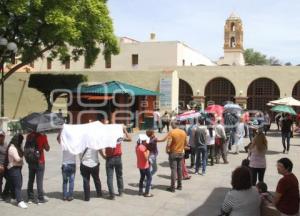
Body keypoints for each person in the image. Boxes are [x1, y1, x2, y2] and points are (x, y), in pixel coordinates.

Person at [100, 127, 131, 200]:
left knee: (110, 177)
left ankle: (112, 195)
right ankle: (120, 192)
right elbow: (130, 139)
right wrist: (125, 130)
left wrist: (103, 156)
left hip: (109, 158)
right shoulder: (119, 137)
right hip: (118, 158)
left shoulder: (105, 138)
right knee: (119, 175)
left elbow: (99, 146)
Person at [158, 121, 187, 193]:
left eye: (171, 125)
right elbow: (186, 143)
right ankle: (179, 186)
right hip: (181, 153)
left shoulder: (172, 132)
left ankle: (172, 187)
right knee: (179, 169)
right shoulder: (183, 132)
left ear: (172, 125)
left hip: (173, 153)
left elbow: (168, 143)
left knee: (173, 170)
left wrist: (167, 149)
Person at [26, 131, 50, 204]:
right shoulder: (43, 136)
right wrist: (45, 143)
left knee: (30, 179)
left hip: (31, 161)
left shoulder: (29, 136)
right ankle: (40, 198)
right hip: (40, 161)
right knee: (39, 181)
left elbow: (27, 148)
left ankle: (30, 197)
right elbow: (47, 149)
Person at [7, 134, 28, 209]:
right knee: (18, 184)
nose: (21, 142)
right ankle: (19, 201)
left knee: (16, 184)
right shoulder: (12, 148)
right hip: (14, 168)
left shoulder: (16, 147)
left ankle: (14, 197)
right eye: (20, 141)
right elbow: (17, 159)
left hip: (16, 168)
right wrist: (22, 157)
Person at [57, 132, 76, 201]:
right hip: (72, 164)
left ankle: (65, 196)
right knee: (71, 181)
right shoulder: (74, 145)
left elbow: (58, 139)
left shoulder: (64, 144)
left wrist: (60, 132)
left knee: (65, 181)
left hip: (65, 165)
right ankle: (70, 196)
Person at [0, 130, 10, 201]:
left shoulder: (6, 144)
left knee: (10, 179)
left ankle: (5, 193)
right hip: (0, 166)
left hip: (6, 166)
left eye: (2, 136)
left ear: (4, 137)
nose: (0, 138)